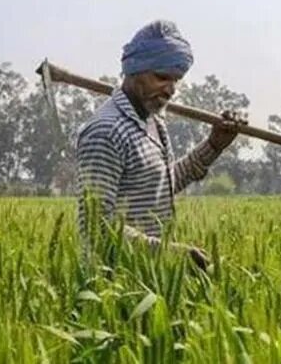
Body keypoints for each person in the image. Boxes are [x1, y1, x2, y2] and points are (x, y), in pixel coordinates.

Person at [76, 20, 246, 270]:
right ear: (134, 70)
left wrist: (214, 145)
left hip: (149, 275)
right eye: (162, 77)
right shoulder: (106, 132)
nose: (171, 90)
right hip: (112, 283)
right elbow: (96, 226)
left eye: (176, 80)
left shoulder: (152, 121)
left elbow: (162, 185)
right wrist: (168, 253)